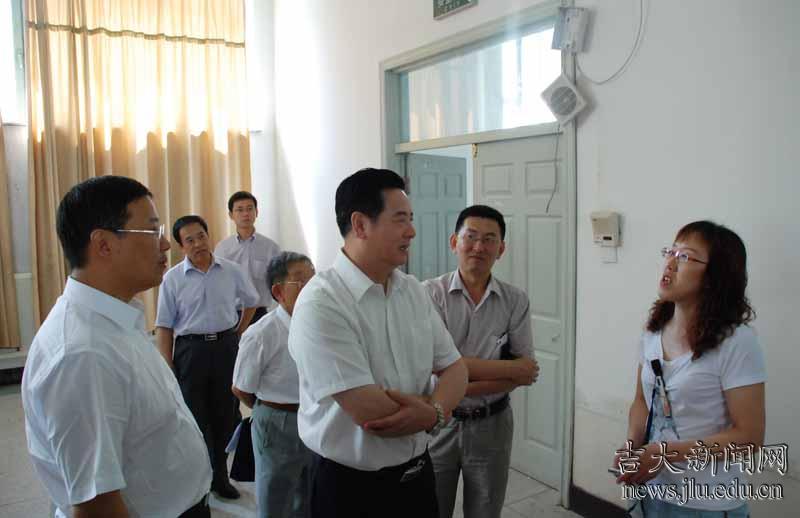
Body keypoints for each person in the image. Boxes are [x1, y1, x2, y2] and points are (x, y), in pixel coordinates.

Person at [22, 176, 212, 517]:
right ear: (104, 245)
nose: (165, 244)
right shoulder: (82, 355)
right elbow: (97, 504)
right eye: (152, 230)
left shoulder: (115, 318)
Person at [288, 167, 469, 518]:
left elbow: (456, 369)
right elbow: (369, 412)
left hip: (418, 473)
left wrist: (431, 411)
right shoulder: (321, 303)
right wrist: (438, 408)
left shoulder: (412, 290)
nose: (411, 231)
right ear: (360, 225)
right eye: (400, 219)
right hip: (351, 488)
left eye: (411, 219)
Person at [614, 221, 766, 517]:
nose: (670, 263)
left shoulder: (737, 341)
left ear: (715, 276)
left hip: (705, 504)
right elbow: (642, 401)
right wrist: (632, 445)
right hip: (651, 493)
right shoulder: (653, 331)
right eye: (670, 252)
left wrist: (664, 454)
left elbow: (749, 437)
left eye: (684, 256)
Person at [423, 204, 539, 518]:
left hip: (493, 424)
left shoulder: (515, 300)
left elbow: (525, 371)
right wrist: (510, 369)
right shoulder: (429, 294)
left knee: (486, 511)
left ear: (501, 249)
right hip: (439, 423)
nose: (479, 246)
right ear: (454, 242)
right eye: (471, 237)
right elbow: (434, 365)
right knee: (431, 507)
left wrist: (455, 376)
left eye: (489, 239)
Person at [155, 215, 259, 500]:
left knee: (226, 414)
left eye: (201, 236)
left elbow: (251, 301)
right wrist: (167, 364)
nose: (198, 244)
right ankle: (199, 480)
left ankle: (220, 477)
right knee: (195, 417)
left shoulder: (231, 270)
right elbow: (163, 325)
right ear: (181, 246)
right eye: (190, 240)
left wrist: (238, 331)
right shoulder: (172, 278)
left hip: (225, 347)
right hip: (190, 351)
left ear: (208, 236)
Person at [232, 251, 315, 518]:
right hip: (277, 420)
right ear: (279, 292)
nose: (311, 287)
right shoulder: (261, 333)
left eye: (313, 279)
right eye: (301, 281)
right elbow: (241, 388)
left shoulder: (320, 324)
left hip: (313, 415)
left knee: (309, 494)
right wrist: (269, 409)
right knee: (275, 496)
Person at [215, 191, 281, 326]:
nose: (245, 214)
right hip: (231, 314)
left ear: (257, 212)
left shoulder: (271, 247)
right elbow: (217, 283)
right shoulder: (222, 248)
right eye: (240, 210)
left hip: (260, 314)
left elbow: (278, 282)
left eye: (250, 209)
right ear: (231, 215)